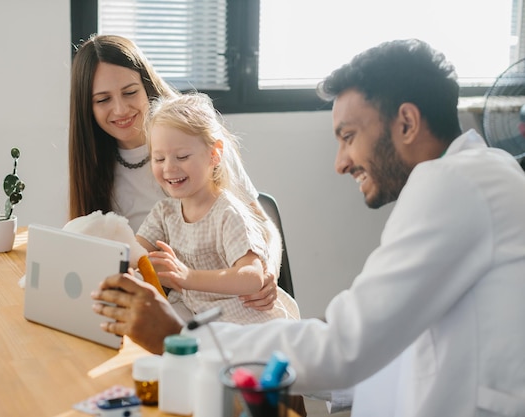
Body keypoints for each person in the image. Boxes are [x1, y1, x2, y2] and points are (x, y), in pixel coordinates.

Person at [91, 38, 525, 416]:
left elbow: (344, 346)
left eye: (349, 135)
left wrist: (180, 338)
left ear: (407, 123)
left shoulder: (455, 187)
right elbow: (375, 340)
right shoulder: (470, 179)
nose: (340, 163)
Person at [68, 34, 278, 310]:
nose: (120, 109)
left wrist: (267, 272)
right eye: (103, 99)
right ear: (88, 107)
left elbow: (261, 225)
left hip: (230, 297)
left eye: (130, 92)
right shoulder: (97, 168)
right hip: (162, 303)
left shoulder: (195, 135)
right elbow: (128, 253)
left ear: (146, 87)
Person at [136, 92, 300, 324]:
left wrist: (188, 277)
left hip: (245, 323)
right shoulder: (164, 213)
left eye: (181, 156)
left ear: (214, 154)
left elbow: (251, 277)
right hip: (200, 316)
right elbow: (133, 253)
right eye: (159, 159)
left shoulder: (228, 213)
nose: (169, 168)